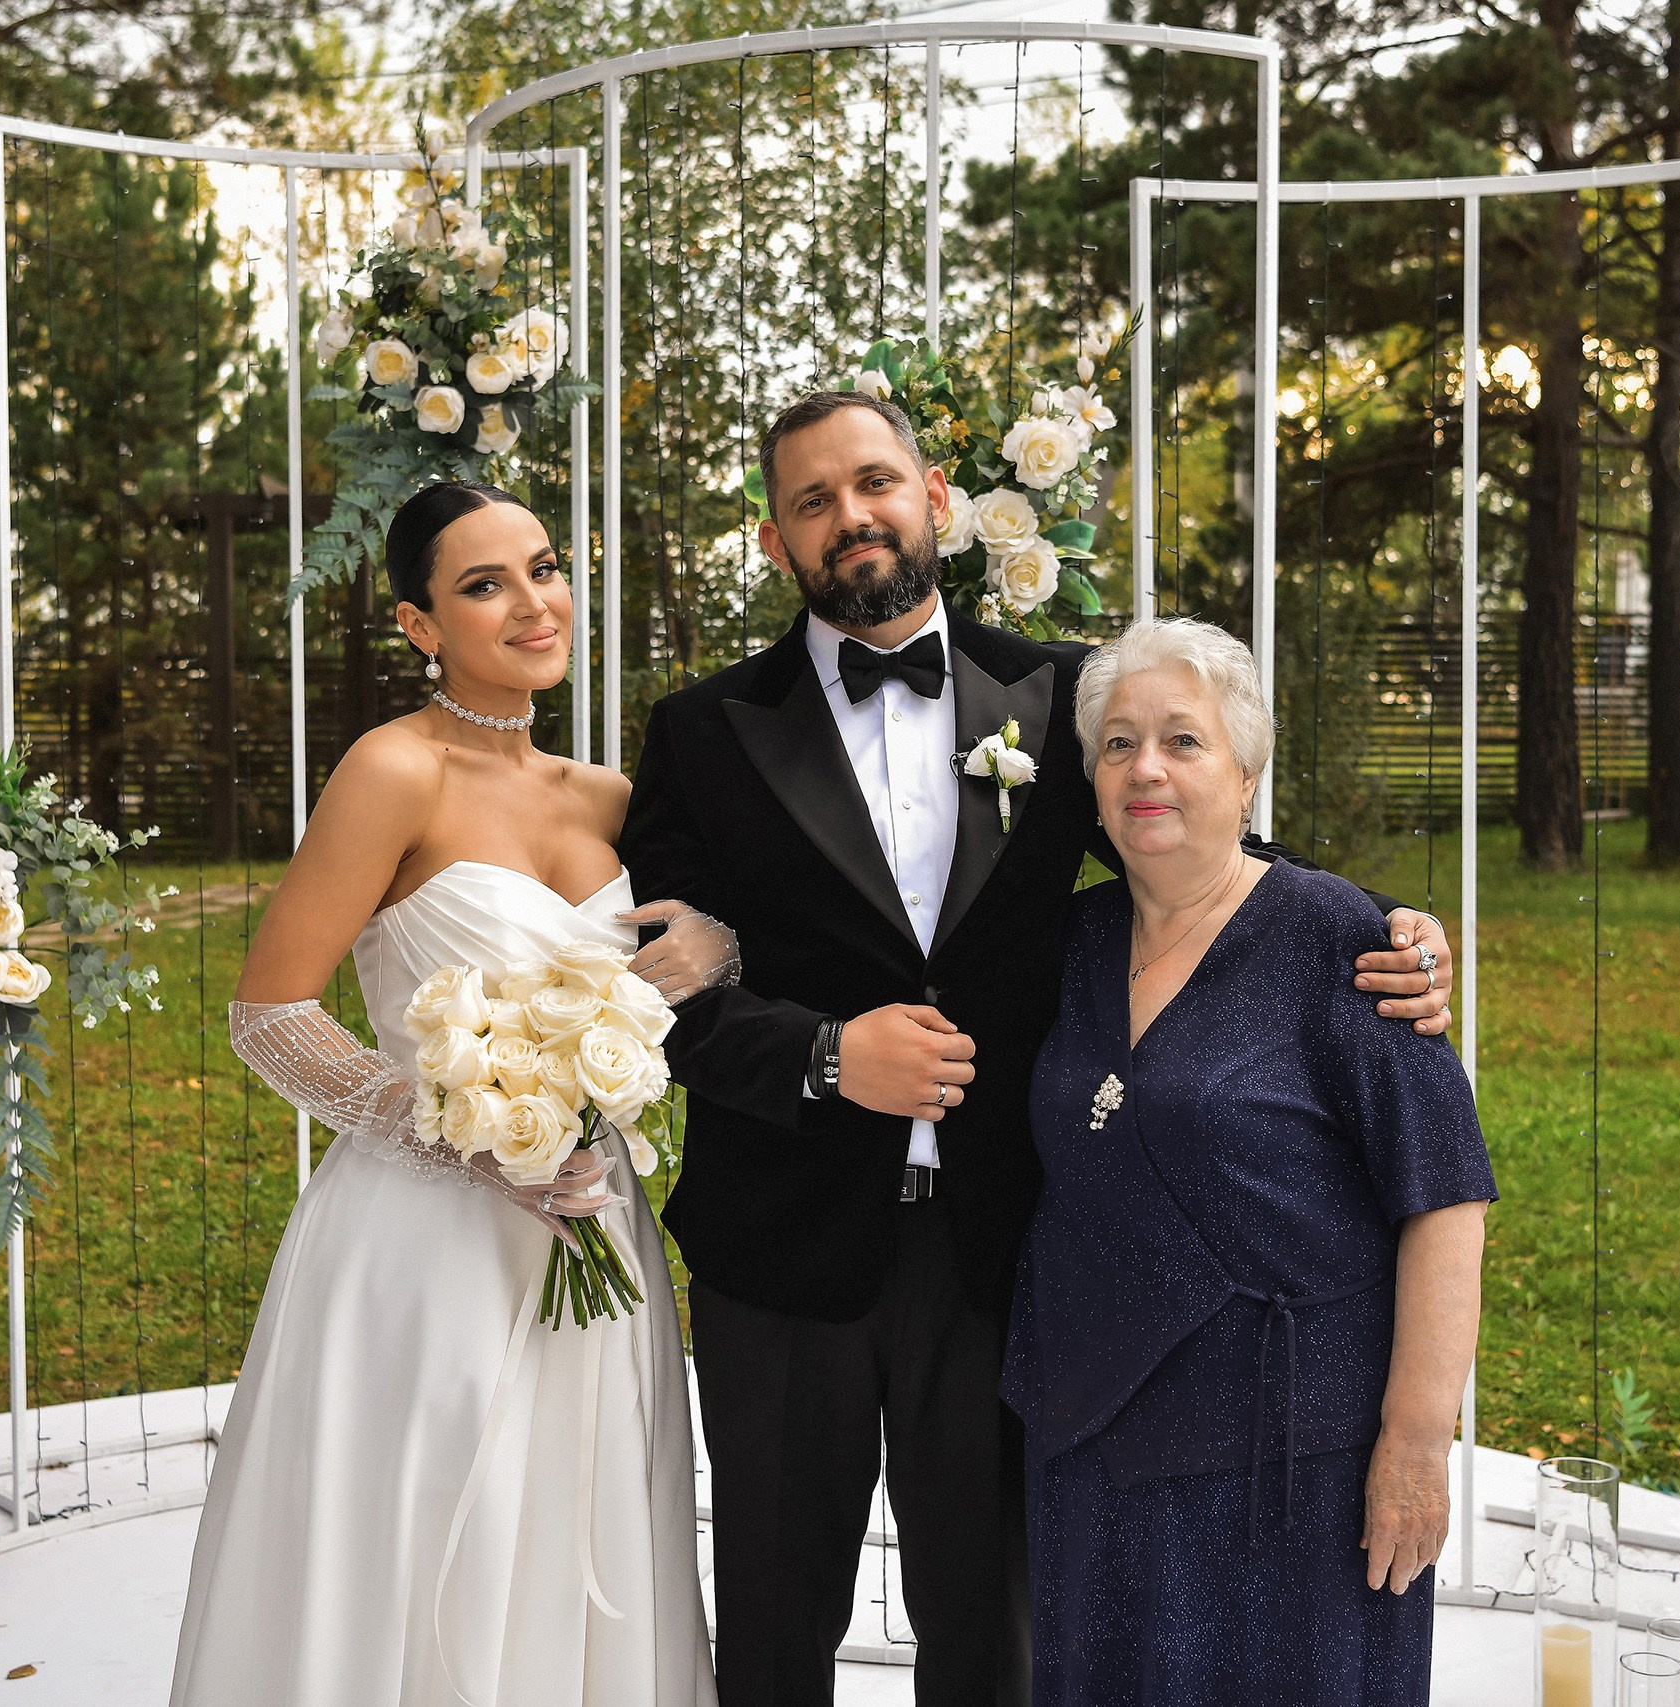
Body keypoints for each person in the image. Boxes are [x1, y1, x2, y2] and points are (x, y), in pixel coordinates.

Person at [617, 391, 1457, 1707]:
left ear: (935, 497)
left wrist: (1358, 924)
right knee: (774, 1624)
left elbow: (1176, 831)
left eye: (876, 481)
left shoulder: (1060, 694)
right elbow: (659, 990)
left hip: (1004, 1249)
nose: (853, 515)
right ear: (776, 538)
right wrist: (828, 1053)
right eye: (813, 499)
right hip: (776, 1249)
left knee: (994, 1625)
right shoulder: (701, 733)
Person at [169, 482, 725, 1707]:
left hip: (592, 1226)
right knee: (427, 1534)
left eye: (541, 568)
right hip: (429, 1238)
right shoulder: (393, 770)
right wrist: (463, 1137)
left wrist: (715, 951)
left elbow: (702, 946)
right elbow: (269, 1014)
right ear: (420, 626)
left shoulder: (613, 799)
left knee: (580, 1526)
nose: (532, 602)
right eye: (483, 586)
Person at [1001, 617, 1495, 1707]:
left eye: (1183, 740)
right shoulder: (1067, 944)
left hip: (1291, 1464)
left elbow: (1445, 1195)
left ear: (1246, 769)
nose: (1147, 768)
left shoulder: (1343, 939)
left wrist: (1417, 1440)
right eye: (1119, 744)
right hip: (1095, 1437)